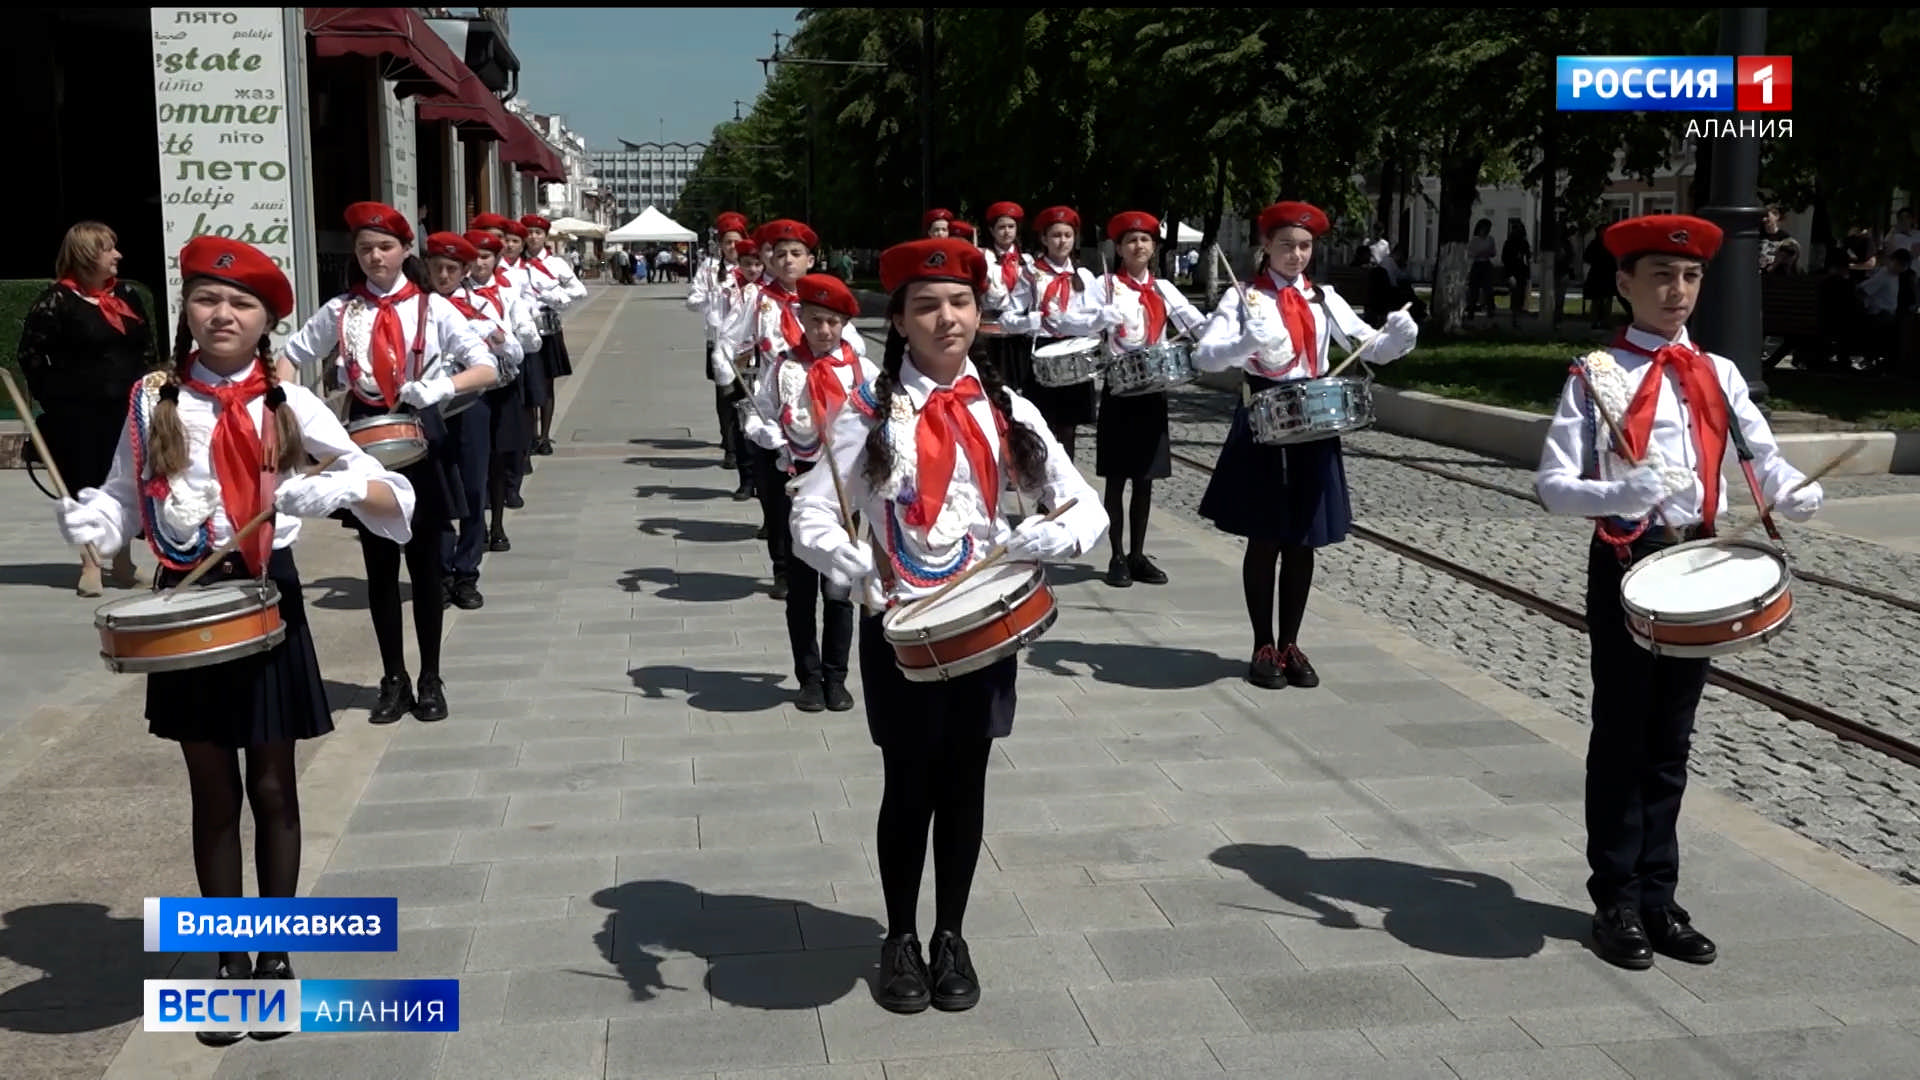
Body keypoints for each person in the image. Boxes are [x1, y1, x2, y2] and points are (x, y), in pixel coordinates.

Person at [53, 236, 413, 1044]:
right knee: (211, 793)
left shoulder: (288, 401)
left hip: (265, 597)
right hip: (185, 598)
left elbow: (382, 477)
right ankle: (227, 963)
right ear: (187, 310)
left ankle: (278, 954)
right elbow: (119, 494)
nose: (223, 315)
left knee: (275, 786)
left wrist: (334, 487)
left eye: (242, 305)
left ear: (265, 324)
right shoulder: (153, 400)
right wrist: (92, 520)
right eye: (209, 300)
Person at [790, 237, 1107, 1015]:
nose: (946, 318)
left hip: (982, 627)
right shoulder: (864, 412)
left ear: (978, 313)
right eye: (926, 305)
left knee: (967, 779)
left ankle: (951, 935)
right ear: (897, 319)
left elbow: (1085, 507)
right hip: (897, 625)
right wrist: (846, 561)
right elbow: (810, 511)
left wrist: (1053, 536)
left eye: (960, 302)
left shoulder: (1008, 409)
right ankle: (899, 935)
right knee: (908, 785)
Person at [1536, 214, 1822, 972]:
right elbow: (1551, 485)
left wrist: (1790, 492)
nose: (1678, 291)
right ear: (1626, 284)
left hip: (1698, 568)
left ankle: (1660, 896)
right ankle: (1617, 899)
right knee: (1623, 735)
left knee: (1672, 740)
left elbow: (1764, 455)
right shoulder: (1598, 375)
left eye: (1691, 277)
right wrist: (1616, 490)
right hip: (1630, 562)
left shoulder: (1720, 373)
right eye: (1662, 275)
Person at [283, 203, 497, 724]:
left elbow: (486, 367)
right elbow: (291, 354)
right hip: (361, 445)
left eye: (383, 247)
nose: (374, 256)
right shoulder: (340, 310)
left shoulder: (434, 308)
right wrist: (292, 410)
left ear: (404, 251)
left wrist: (441, 386)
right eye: (364, 249)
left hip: (420, 438)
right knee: (378, 569)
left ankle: (430, 677)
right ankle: (392, 678)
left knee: (424, 568)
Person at [1192, 201, 1418, 689]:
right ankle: (1262, 645)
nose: (1296, 256)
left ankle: (1291, 642)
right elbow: (1205, 356)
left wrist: (1397, 338)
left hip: (1314, 419)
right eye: (1286, 246)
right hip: (1265, 418)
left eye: (1305, 246)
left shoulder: (1324, 298)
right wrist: (1240, 345)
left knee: (1303, 538)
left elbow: (1366, 345)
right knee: (1266, 535)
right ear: (1266, 248)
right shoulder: (1244, 297)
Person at [739, 273, 878, 712]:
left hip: (844, 496)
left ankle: (837, 677)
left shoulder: (861, 370)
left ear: (843, 325)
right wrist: (765, 433)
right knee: (800, 591)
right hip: (793, 483)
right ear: (801, 318)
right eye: (815, 321)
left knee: (839, 586)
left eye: (832, 323)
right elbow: (759, 411)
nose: (823, 331)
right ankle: (808, 677)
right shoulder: (784, 367)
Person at [718, 219, 867, 600]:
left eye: (795, 254)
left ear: (810, 260)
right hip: (775, 396)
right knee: (777, 496)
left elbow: (852, 347)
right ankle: (783, 568)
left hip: (824, 403)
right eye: (779, 253)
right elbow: (730, 340)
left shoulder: (822, 301)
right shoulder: (757, 297)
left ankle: (831, 566)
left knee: (828, 488)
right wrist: (729, 361)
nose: (787, 261)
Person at [17, 221, 158, 595]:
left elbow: (145, 346)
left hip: (126, 408)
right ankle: (90, 562)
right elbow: (30, 354)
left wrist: (147, 388)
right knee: (85, 484)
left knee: (124, 483)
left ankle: (123, 562)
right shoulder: (57, 301)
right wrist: (57, 398)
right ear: (86, 255)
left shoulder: (127, 295)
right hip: (79, 413)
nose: (118, 255)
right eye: (109, 248)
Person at [1095, 211, 1206, 588]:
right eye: (1131, 241)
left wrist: (1223, 326)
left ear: (1154, 248)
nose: (1138, 246)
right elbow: (1079, 322)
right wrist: (1099, 315)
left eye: (1145, 240)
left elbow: (1194, 321)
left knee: (1146, 479)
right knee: (1116, 478)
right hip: (1120, 390)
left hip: (1153, 391)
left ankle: (1138, 554)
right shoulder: (1106, 285)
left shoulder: (1164, 290)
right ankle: (1116, 555)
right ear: (1120, 249)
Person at [438, 228, 535, 608]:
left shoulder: (480, 305)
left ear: (463, 271)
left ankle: (466, 573)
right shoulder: (418, 305)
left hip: (470, 404)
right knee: (437, 493)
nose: (444, 276)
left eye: (452, 268)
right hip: (428, 409)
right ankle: (441, 572)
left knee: (475, 488)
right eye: (437, 268)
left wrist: (493, 336)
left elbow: (514, 350)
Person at [995, 206, 1115, 455]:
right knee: (1043, 425)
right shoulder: (1031, 274)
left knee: (1069, 428)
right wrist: (1030, 321)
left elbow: (1094, 315)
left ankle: (1068, 479)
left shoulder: (1083, 275)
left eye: (1068, 235)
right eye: (1056, 235)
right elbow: (1007, 318)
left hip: (1075, 354)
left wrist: (1102, 319)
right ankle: (1042, 480)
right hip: (1043, 351)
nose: (1062, 241)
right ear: (1044, 239)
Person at [687, 212, 752, 472]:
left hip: (748, 343)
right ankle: (730, 447)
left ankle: (750, 443)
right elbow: (695, 297)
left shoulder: (752, 265)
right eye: (727, 242)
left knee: (749, 392)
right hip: (720, 342)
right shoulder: (709, 267)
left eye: (736, 241)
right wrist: (707, 299)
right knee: (724, 395)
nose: (732, 248)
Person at [520, 215, 588, 457]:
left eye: (538, 233)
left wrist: (557, 299)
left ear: (545, 236)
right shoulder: (516, 264)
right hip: (524, 330)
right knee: (528, 386)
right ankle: (529, 435)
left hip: (548, 328)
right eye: (529, 232)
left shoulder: (556, 264)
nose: (533, 237)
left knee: (547, 384)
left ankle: (545, 436)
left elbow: (579, 291)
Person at [707, 239, 767, 501]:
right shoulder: (733, 290)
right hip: (740, 361)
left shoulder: (768, 292)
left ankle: (763, 482)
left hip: (768, 366)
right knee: (742, 421)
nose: (753, 269)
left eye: (758, 264)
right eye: (747, 264)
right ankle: (746, 479)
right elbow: (724, 326)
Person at [978, 202, 1033, 392]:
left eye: (1011, 227)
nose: (1006, 232)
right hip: (991, 334)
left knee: (1022, 388)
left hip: (1020, 334)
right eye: (1001, 227)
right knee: (994, 388)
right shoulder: (982, 258)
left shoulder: (1029, 261)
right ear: (992, 231)